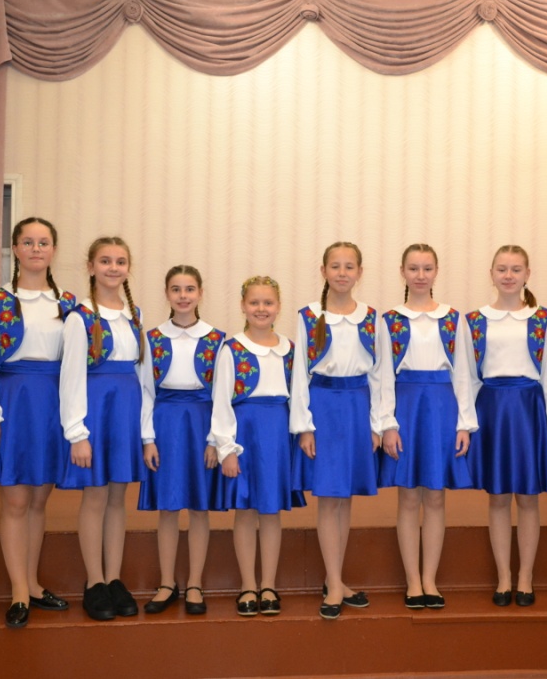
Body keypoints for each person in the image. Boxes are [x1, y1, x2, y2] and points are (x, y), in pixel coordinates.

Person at [0, 217, 76, 628]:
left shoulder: (68, 304)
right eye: (28, 242)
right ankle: (17, 591)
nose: (36, 249)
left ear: (53, 250)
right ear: (15, 249)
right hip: (12, 403)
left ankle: (32, 583)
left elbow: (76, 365)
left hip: (52, 405)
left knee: (37, 501)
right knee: (15, 501)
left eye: (43, 242)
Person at [376, 244, 475, 610]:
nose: (420, 275)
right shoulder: (389, 320)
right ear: (402, 272)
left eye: (427, 268)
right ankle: (412, 580)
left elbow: (464, 373)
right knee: (408, 496)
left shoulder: (453, 319)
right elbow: (382, 375)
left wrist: (464, 423)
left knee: (435, 496)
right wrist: (387, 423)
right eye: (414, 268)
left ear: (436, 272)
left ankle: (430, 578)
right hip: (406, 406)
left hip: (441, 408)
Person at [466, 245, 547, 608]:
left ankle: (526, 576)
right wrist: (468, 422)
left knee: (527, 497)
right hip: (492, 409)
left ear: (527, 274)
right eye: (502, 269)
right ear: (491, 274)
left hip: (528, 410)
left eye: (516, 269)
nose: (508, 276)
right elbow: (468, 376)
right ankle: (503, 576)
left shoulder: (543, 319)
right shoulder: (475, 320)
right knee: (498, 497)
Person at [290, 241, 381, 620]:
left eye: (349, 266)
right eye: (335, 266)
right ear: (324, 271)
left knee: (345, 499)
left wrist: (378, 424)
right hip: (323, 409)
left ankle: (336, 579)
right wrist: (304, 426)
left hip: (358, 408)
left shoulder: (372, 317)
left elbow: (380, 374)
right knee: (328, 498)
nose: (342, 273)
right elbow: (299, 374)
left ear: (360, 272)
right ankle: (333, 583)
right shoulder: (309, 316)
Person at [59, 236, 148, 621]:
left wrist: (144, 432)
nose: (113, 268)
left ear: (128, 268)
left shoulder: (134, 316)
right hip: (96, 413)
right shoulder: (80, 317)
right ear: (91, 267)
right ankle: (94, 581)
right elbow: (71, 378)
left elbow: (143, 376)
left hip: (125, 413)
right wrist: (78, 433)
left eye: (120, 261)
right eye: (105, 261)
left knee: (117, 498)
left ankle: (114, 578)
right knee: (95, 497)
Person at [138, 265, 225, 616]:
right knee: (169, 507)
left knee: (199, 508)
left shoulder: (217, 339)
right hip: (166, 424)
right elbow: (146, 391)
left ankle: (195, 583)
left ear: (200, 293)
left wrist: (215, 439)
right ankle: (166, 582)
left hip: (202, 423)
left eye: (190, 289)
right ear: (167, 294)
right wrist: (148, 438)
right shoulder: (153, 338)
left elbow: (222, 395)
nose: (183, 296)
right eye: (176, 289)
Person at [213, 276, 300, 617]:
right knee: (246, 510)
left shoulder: (290, 349)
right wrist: (226, 448)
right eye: (254, 303)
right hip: (244, 435)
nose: (261, 309)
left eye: (268, 303)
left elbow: (299, 397)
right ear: (243, 306)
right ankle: (248, 585)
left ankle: (269, 584)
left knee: (271, 511)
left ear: (278, 307)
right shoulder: (232, 349)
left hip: (277, 435)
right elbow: (221, 402)